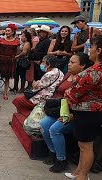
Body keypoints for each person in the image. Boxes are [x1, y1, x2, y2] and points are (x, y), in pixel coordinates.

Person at [40, 53, 93, 173]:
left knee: (55, 129)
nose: (69, 64)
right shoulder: (68, 75)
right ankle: (52, 152)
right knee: (44, 124)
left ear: (82, 66)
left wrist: (72, 115)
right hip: (61, 109)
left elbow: (84, 101)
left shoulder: (84, 80)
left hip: (76, 114)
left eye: (73, 62)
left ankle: (61, 159)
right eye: (69, 62)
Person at [64, 35, 102, 180]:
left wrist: (68, 92)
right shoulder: (95, 69)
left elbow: (74, 93)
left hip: (88, 113)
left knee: (86, 147)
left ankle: (83, 175)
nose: (89, 50)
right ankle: (78, 172)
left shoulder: (94, 72)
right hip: (90, 112)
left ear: (98, 50)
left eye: (91, 47)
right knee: (83, 145)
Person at [0, 23, 20, 100]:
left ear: (13, 32)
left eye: (8, 31)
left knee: (7, 78)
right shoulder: (1, 40)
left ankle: (5, 92)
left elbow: (18, 52)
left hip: (10, 61)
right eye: (6, 31)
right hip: (1, 60)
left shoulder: (16, 41)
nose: (7, 32)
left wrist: (14, 58)